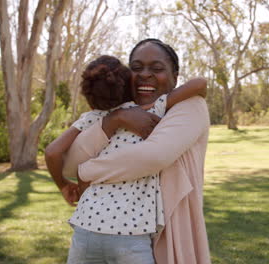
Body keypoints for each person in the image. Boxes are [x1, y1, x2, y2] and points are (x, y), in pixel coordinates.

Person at [45, 45, 209, 263]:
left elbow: (55, 153)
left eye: (157, 68)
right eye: (136, 68)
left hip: (85, 230)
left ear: (175, 76)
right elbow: (200, 83)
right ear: (125, 77)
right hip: (130, 234)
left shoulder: (92, 119)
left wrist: (77, 177)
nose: (145, 75)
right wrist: (117, 118)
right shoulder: (150, 110)